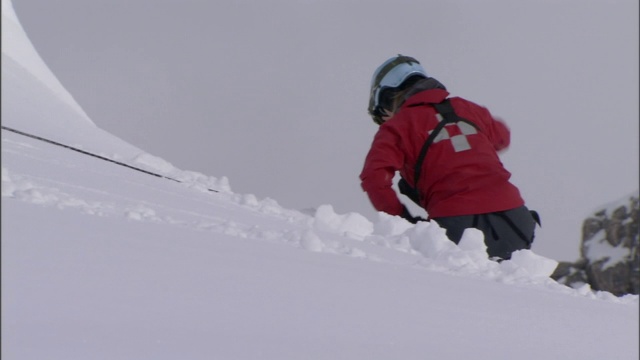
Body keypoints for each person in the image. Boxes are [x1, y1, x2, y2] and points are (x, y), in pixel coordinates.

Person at [360, 54, 539, 261]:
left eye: (383, 112)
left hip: (455, 224)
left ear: (387, 98)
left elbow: (374, 178)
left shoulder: (398, 127)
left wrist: (401, 220)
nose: (385, 119)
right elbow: (502, 138)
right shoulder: (468, 108)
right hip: (516, 221)